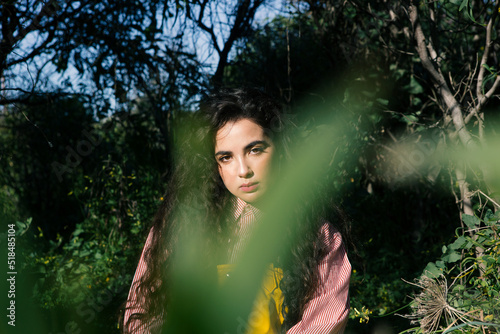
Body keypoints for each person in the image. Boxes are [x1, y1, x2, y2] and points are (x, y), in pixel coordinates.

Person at [122, 88, 351, 334]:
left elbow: (323, 323)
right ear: (214, 165)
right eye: (226, 157)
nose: (243, 170)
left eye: (255, 150)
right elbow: (141, 317)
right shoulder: (180, 229)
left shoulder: (319, 236)